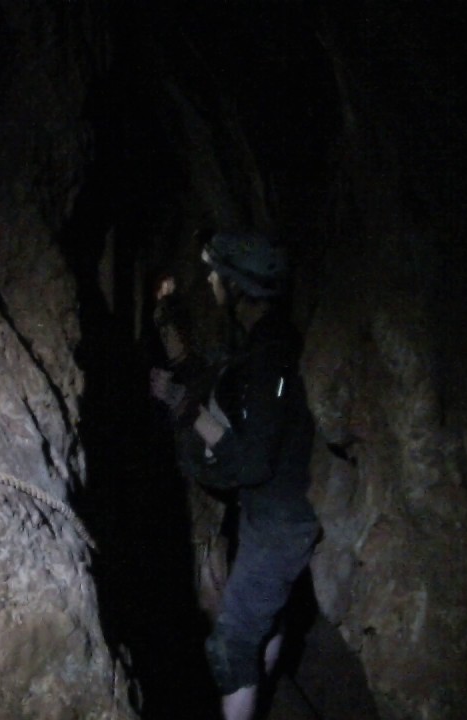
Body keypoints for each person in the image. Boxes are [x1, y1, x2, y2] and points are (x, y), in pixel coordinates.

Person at [150, 231, 320, 720]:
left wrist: (184, 407)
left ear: (240, 286)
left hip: (279, 524)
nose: (210, 281)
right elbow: (211, 379)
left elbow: (250, 460)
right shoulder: (265, 343)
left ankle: (248, 698)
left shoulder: (271, 359)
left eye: (217, 274)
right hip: (270, 514)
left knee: (229, 647)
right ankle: (260, 698)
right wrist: (165, 317)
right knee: (264, 621)